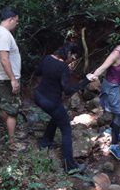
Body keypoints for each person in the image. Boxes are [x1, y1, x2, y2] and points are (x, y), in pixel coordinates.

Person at [35, 42, 93, 174]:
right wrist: (86, 80)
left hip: (38, 96)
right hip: (51, 102)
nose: (72, 60)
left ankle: (45, 142)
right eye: (73, 57)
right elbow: (67, 90)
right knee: (66, 130)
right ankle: (71, 166)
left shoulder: (47, 58)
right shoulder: (63, 67)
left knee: (57, 116)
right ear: (68, 53)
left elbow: (38, 72)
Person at [87, 35, 120, 161]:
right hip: (112, 88)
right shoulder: (115, 53)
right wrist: (93, 76)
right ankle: (114, 146)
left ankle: (111, 129)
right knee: (118, 114)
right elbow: (103, 67)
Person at [0, 7, 22, 151]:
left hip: (2, 76)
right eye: (16, 21)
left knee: (7, 106)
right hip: (6, 78)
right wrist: (13, 79)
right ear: (10, 19)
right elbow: (4, 59)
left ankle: (9, 134)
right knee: (12, 110)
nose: (17, 23)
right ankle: (12, 143)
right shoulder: (4, 35)